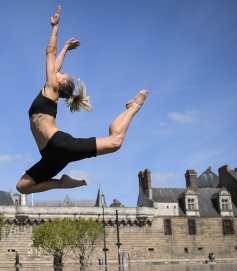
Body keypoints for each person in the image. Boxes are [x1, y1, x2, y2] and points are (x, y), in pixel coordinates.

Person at [16, 5, 148, 195]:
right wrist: (66, 49)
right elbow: (55, 64)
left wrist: (55, 27)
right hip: (50, 156)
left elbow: (49, 53)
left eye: (61, 74)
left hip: (59, 144)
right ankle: (60, 183)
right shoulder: (50, 91)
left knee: (115, 142)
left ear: (59, 83)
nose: (58, 72)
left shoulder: (51, 89)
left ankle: (133, 107)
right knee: (22, 187)